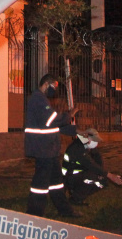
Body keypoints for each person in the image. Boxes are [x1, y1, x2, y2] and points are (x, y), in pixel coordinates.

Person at [24, 73, 80, 217]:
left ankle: (64, 210)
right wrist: (69, 115)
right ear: (45, 84)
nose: (54, 90)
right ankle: (34, 213)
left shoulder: (42, 99)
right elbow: (51, 120)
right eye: (53, 86)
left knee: (56, 183)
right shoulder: (38, 99)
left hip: (50, 150)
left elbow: (53, 126)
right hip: (43, 149)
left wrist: (76, 131)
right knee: (40, 184)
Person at [62, 127, 122, 206]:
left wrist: (103, 174)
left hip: (80, 173)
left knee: (102, 180)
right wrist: (110, 175)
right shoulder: (77, 148)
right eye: (94, 140)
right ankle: (75, 198)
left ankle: (77, 194)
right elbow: (90, 164)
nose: (96, 143)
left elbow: (98, 159)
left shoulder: (87, 145)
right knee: (94, 178)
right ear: (87, 138)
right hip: (70, 176)